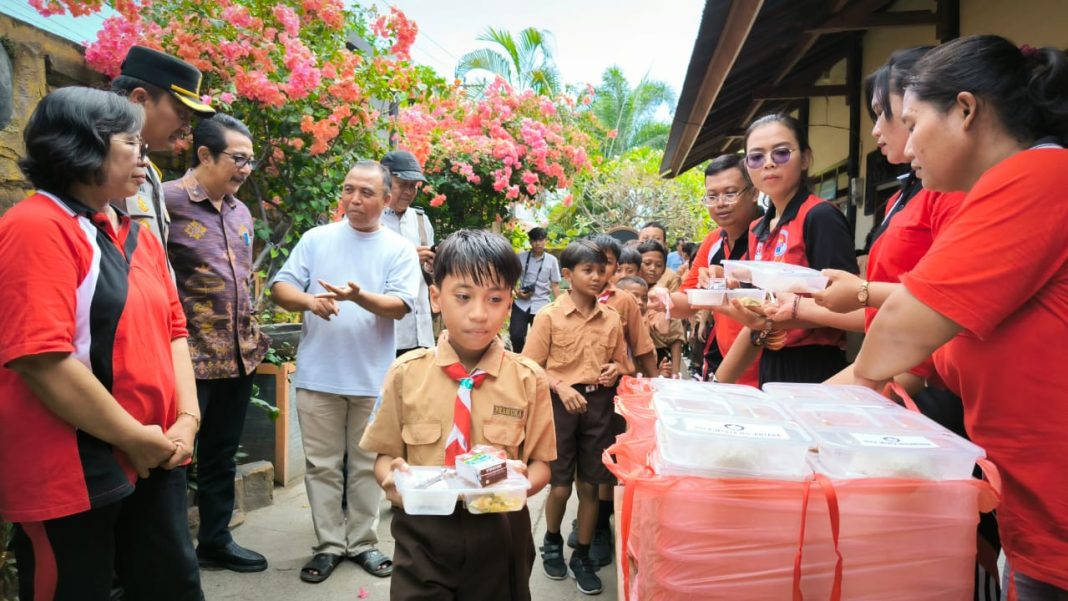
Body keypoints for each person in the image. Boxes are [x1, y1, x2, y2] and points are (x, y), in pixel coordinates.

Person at [852, 35, 1068, 599]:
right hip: (1033, 511)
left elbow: (901, 328)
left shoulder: (1038, 176)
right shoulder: (1012, 186)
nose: (903, 143)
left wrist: (855, 391)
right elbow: (928, 357)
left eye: (912, 121)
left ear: (966, 110)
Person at [0, 87, 202, 600]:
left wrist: (187, 422)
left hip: (156, 455)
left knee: (171, 585)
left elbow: (175, 330)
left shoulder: (136, 234)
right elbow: (41, 359)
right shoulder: (35, 227)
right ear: (82, 146)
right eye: (130, 140)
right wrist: (134, 437)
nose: (144, 153)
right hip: (73, 468)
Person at [360, 229, 557, 601]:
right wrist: (391, 479)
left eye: (495, 298)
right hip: (422, 533)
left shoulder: (529, 379)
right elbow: (385, 457)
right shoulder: (406, 373)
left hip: (501, 533)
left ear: (510, 301)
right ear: (436, 298)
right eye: (463, 297)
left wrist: (518, 482)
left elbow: (542, 465)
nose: (479, 313)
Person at [269, 161, 421, 583]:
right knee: (321, 465)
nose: (354, 199)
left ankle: (363, 543)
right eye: (349, 190)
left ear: (387, 199)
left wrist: (359, 297)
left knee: (367, 464)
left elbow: (400, 304)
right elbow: (282, 287)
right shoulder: (316, 239)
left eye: (366, 192)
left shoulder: (398, 248)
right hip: (319, 375)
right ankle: (329, 545)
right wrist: (309, 302)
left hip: (372, 378)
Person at [163, 113, 271, 573]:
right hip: (188, 357)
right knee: (174, 458)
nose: (245, 169)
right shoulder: (165, 200)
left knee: (221, 455)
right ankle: (167, 557)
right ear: (205, 154)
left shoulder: (239, 209)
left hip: (239, 355)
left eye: (250, 160)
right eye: (237, 159)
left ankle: (214, 540)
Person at [523, 240, 629, 596]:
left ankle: (581, 554)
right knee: (560, 484)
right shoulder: (548, 316)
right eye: (588, 270)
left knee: (590, 486)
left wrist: (616, 368)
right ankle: (551, 541)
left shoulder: (612, 318)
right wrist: (561, 387)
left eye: (601, 270)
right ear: (567, 275)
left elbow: (624, 363)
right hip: (558, 407)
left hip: (598, 407)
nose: (597, 277)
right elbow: (530, 366)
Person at [719, 113, 859, 385]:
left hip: (815, 363)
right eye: (756, 157)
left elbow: (851, 305)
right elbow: (760, 306)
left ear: (805, 159)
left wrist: (792, 312)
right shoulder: (757, 228)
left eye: (781, 153)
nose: (768, 163)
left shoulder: (820, 217)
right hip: (769, 355)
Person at [111, 46, 215, 244]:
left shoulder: (149, 173)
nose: (186, 128)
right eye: (181, 113)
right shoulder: (97, 168)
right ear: (140, 99)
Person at [380, 149, 436, 355]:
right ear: (383, 181)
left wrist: (431, 265)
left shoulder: (421, 220)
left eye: (413, 186)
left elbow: (428, 276)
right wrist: (409, 257)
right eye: (403, 185)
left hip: (420, 327)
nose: (409, 192)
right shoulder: (370, 220)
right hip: (386, 330)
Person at [637, 240, 684, 376]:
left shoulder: (662, 294)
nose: (652, 269)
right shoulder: (624, 290)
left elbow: (673, 334)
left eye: (659, 265)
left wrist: (675, 372)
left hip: (658, 360)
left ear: (664, 269)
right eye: (647, 263)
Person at [510, 227, 561, 353]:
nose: (537, 243)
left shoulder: (552, 260)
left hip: (542, 304)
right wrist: (517, 292)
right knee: (515, 335)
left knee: (542, 340)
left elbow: (555, 284)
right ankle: (520, 360)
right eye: (534, 240)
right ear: (530, 241)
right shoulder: (520, 258)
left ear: (545, 241)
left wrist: (560, 305)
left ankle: (538, 365)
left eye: (540, 240)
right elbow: (511, 278)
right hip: (521, 303)